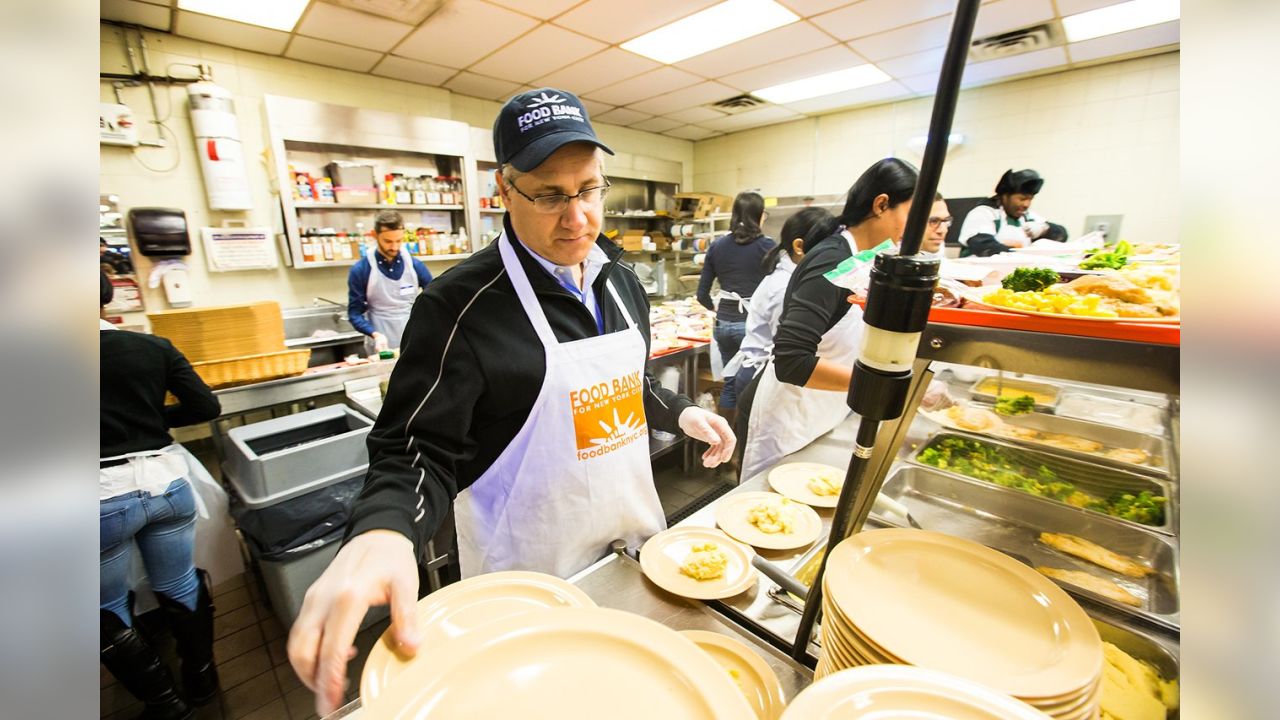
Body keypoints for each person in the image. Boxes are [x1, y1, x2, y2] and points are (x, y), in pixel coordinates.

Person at [289, 88, 735, 716]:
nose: (577, 217)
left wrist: (678, 411)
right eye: (550, 195)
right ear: (505, 189)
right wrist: (384, 531)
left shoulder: (620, 278)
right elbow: (413, 449)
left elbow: (621, 386)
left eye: (589, 189)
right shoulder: (460, 306)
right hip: (529, 577)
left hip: (634, 554)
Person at [741, 158, 919, 482]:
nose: (916, 226)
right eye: (913, 213)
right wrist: (873, 387)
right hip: (791, 421)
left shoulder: (864, 259)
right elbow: (791, 361)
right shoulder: (831, 261)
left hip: (825, 413)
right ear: (882, 205)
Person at [100, 272, 223, 719]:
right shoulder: (152, 348)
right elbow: (206, 408)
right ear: (107, 295)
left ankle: (164, 701)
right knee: (177, 581)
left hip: (99, 499)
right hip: (167, 487)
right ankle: (201, 677)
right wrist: (154, 416)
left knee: (106, 604)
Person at [724, 207, 834, 422]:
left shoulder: (792, 279)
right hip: (759, 373)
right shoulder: (784, 287)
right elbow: (788, 346)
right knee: (754, 446)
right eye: (826, 247)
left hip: (764, 370)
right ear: (799, 246)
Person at [695, 191, 774, 414]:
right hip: (752, 327)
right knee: (754, 387)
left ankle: (727, 445)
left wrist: (716, 308)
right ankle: (747, 442)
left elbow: (702, 295)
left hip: (722, 325)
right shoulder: (768, 247)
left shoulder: (717, 246)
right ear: (759, 216)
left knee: (730, 384)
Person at [347, 210, 434, 355]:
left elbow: (434, 298)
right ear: (375, 235)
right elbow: (354, 313)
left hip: (413, 339)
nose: (394, 247)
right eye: (388, 241)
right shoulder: (361, 270)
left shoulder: (415, 266)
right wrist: (375, 334)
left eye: (399, 241)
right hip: (381, 344)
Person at [957, 169, 1067, 256]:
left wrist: (1045, 229)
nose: (1026, 204)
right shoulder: (984, 213)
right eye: (1022, 199)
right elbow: (984, 246)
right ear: (1005, 196)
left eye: (1030, 199)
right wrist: (1021, 251)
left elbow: (1062, 235)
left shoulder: (1028, 216)